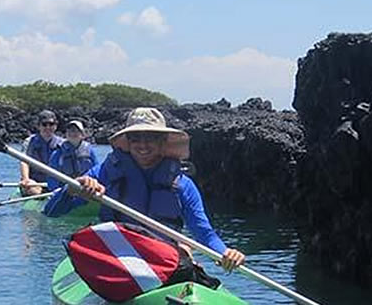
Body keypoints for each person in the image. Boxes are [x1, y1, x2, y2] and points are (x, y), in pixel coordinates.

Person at [44, 107, 246, 271]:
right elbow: (51, 212)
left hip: (160, 259)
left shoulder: (183, 185)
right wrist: (73, 189)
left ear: (163, 142)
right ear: (128, 142)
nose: (142, 145)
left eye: (150, 137)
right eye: (136, 138)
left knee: (185, 254)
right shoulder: (105, 172)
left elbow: (205, 234)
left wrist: (225, 253)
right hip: (115, 255)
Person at [19, 109, 64, 195]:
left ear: (56, 126)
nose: (48, 127)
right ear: (39, 126)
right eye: (44, 124)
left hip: (56, 183)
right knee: (32, 189)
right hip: (35, 183)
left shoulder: (62, 144)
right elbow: (24, 162)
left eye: (51, 124)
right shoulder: (29, 142)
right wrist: (25, 179)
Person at [46, 119, 99, 190]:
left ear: (82, 135)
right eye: (70, 131)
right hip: (66, 190)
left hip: (85, 189)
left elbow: (97, 170)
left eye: (76, 131)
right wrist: (56, 191)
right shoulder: (58, 153)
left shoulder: (90, 151)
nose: (72, 133)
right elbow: (51, 175)